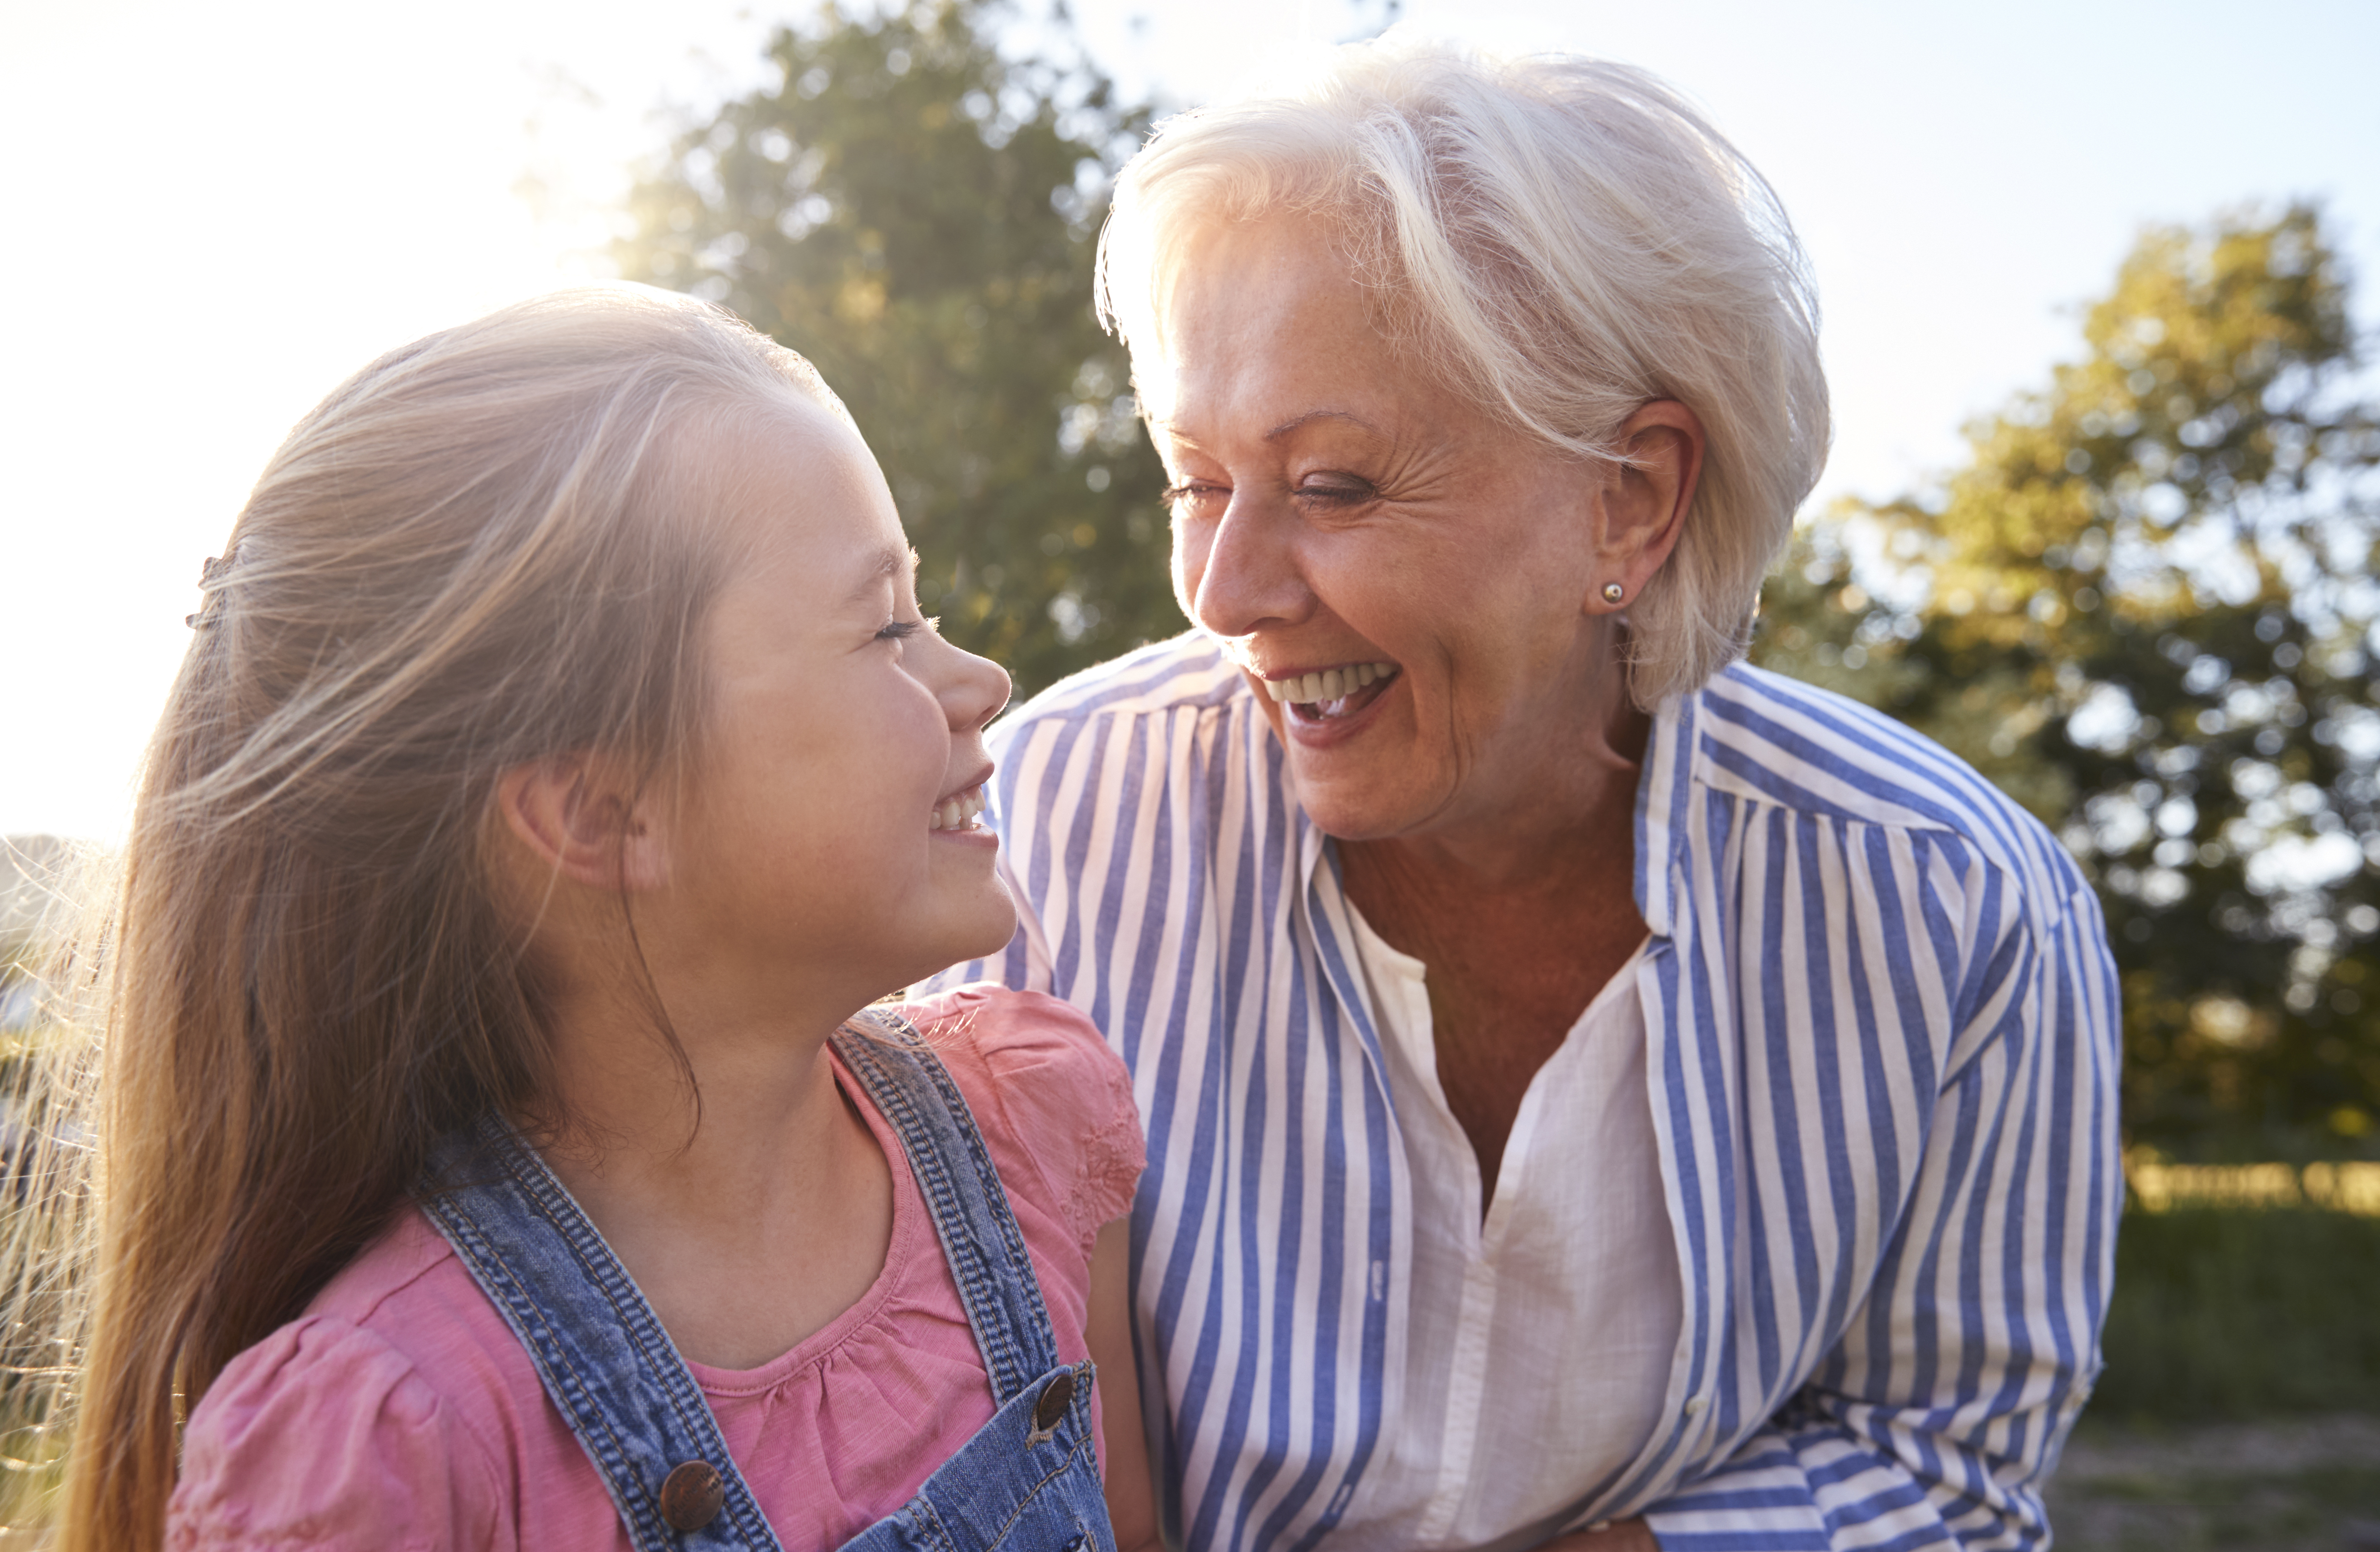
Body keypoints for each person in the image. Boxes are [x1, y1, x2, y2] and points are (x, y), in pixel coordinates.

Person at [930, 36, 2123, 1552]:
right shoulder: (1049, 823)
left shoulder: (1958, 906)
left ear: (1631, 500)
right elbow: (965, 1431)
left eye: (1334, 484)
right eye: (1197, 482)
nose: (1224, 594)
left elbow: (1944, 1461)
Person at [57, 288, 1161, 1552]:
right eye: (884, 629)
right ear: (597, 812)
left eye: (927, 608)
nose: (982, 682)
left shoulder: (1027, 1130)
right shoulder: (396, 1446)